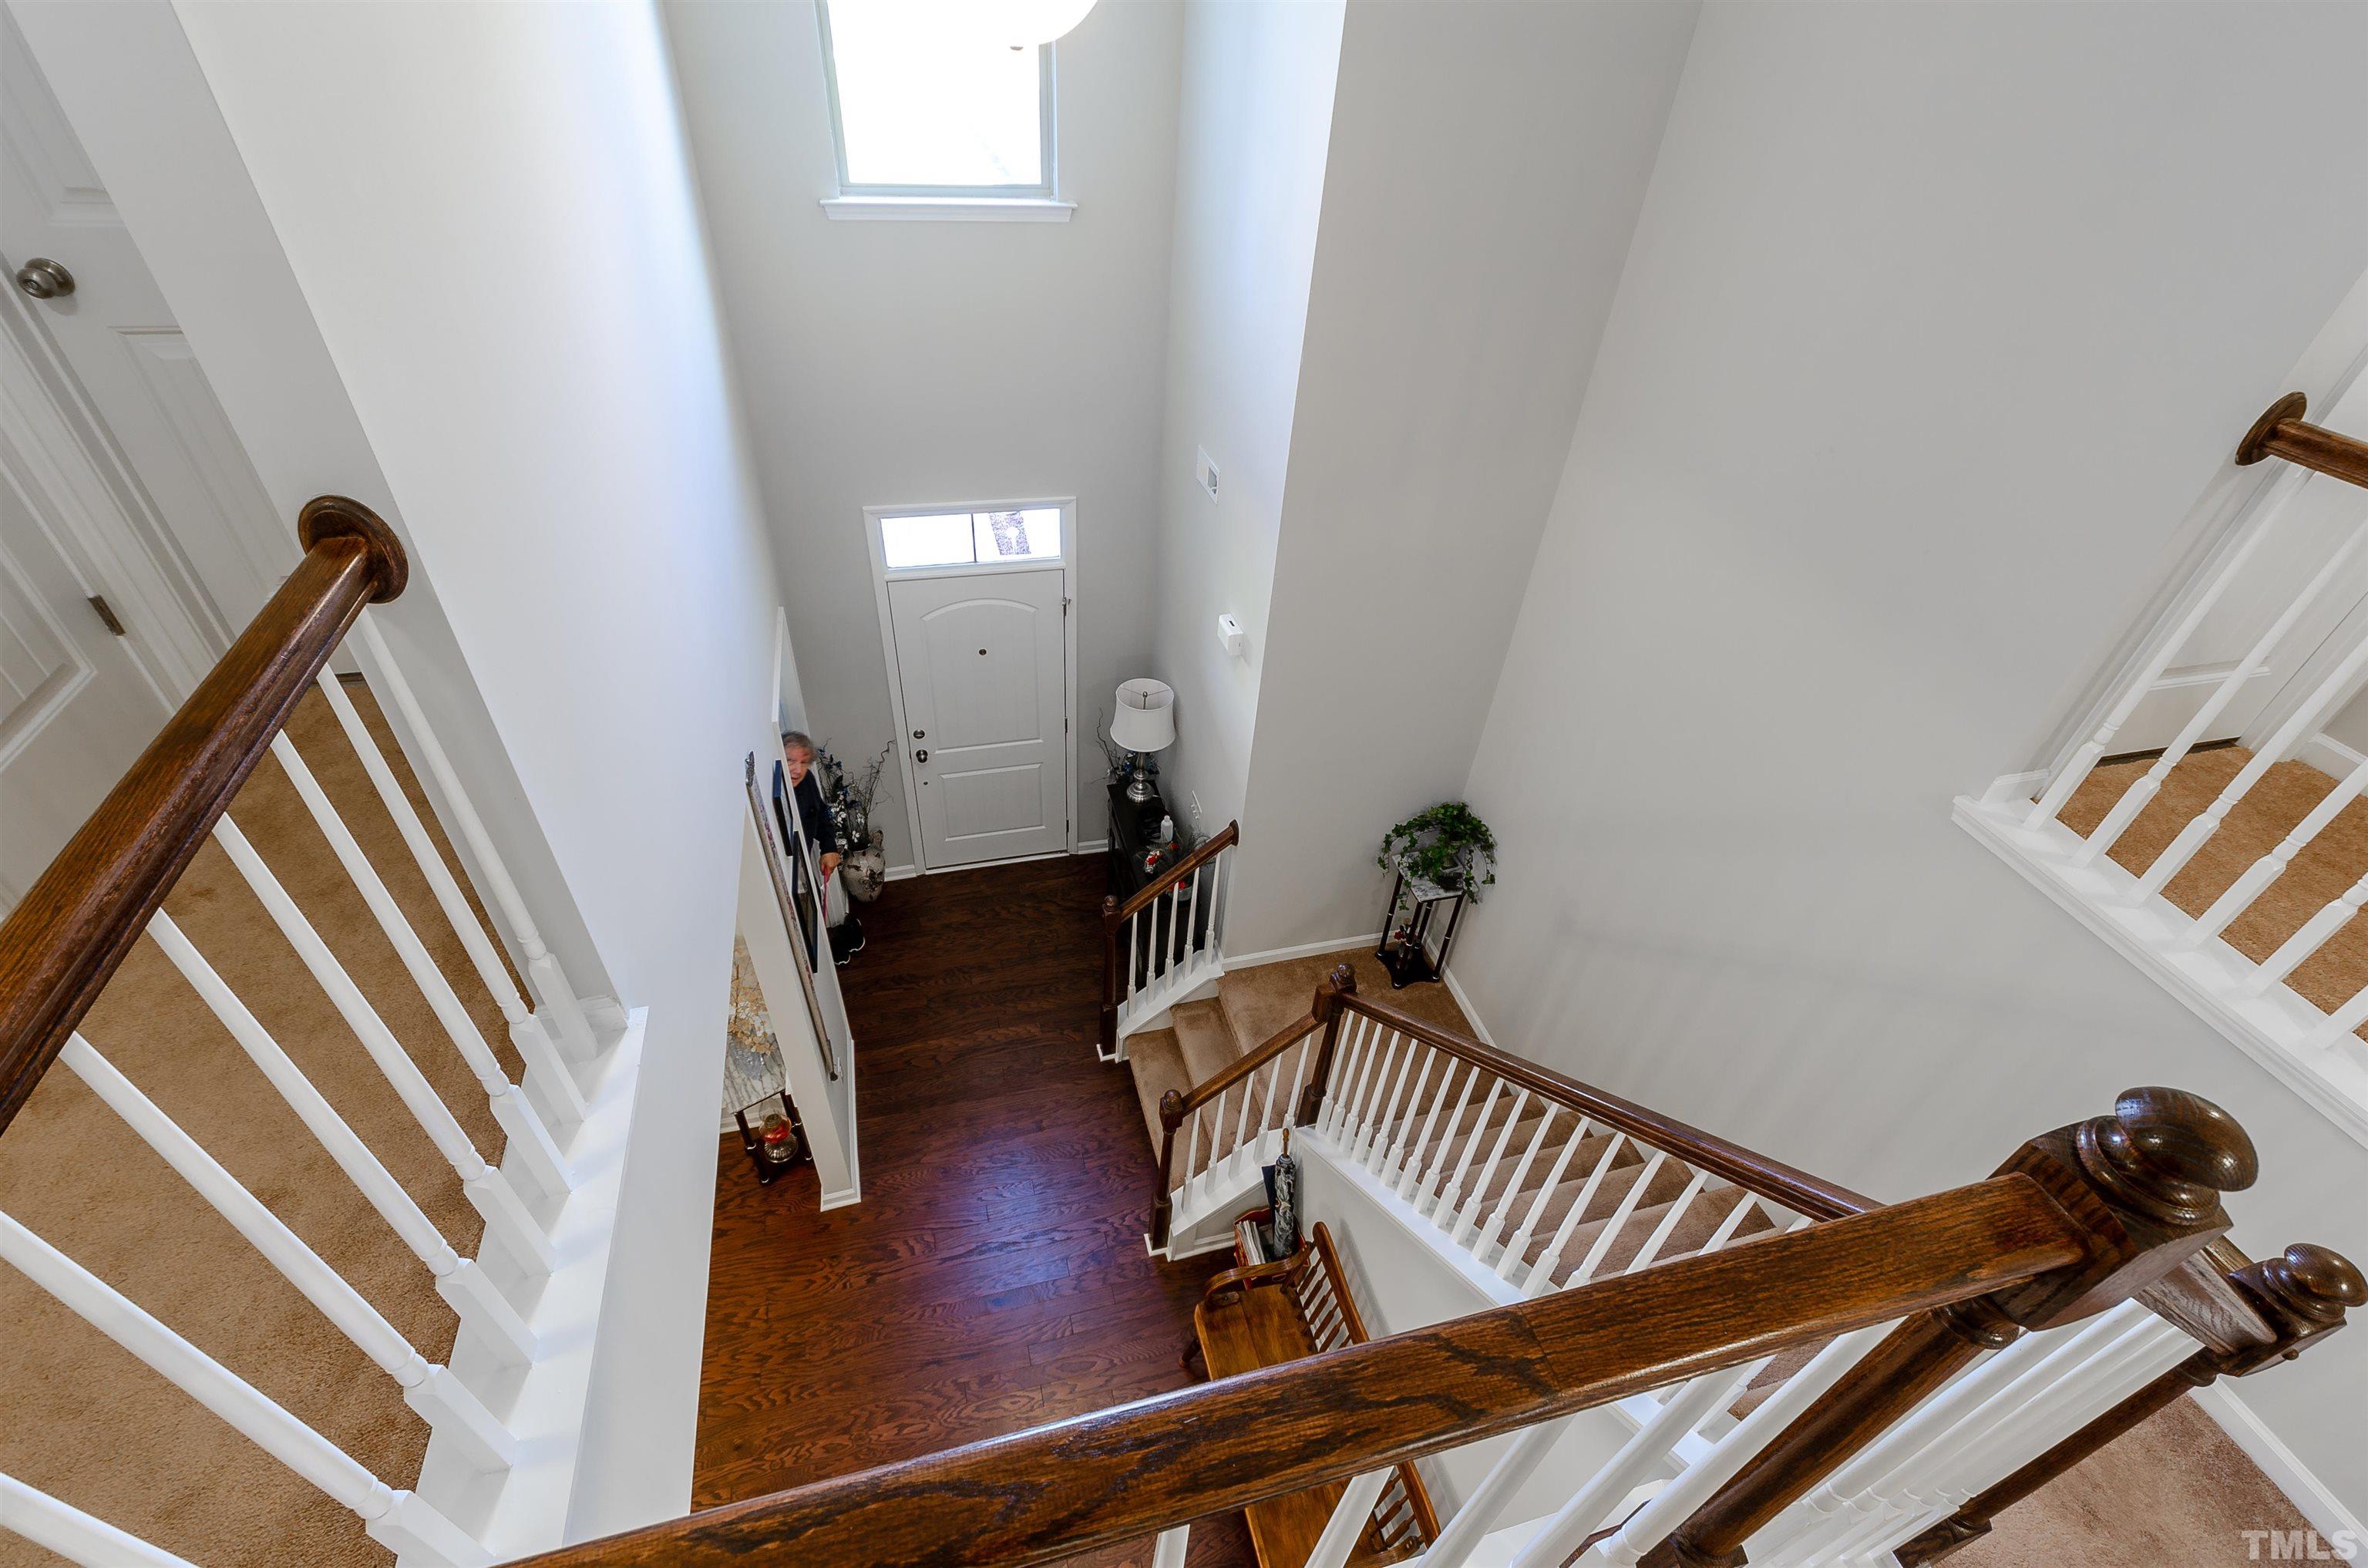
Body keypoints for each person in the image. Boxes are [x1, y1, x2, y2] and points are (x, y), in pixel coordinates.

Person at [780, 730, 864, 964]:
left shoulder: (806, 781)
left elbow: (821, 815)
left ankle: (827, 953)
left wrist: (829, 848)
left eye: (804, 762)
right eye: (790, 761)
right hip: (784, 865)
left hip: (803, 862)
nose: (798, 769)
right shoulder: (775, 790)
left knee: (813, 905)